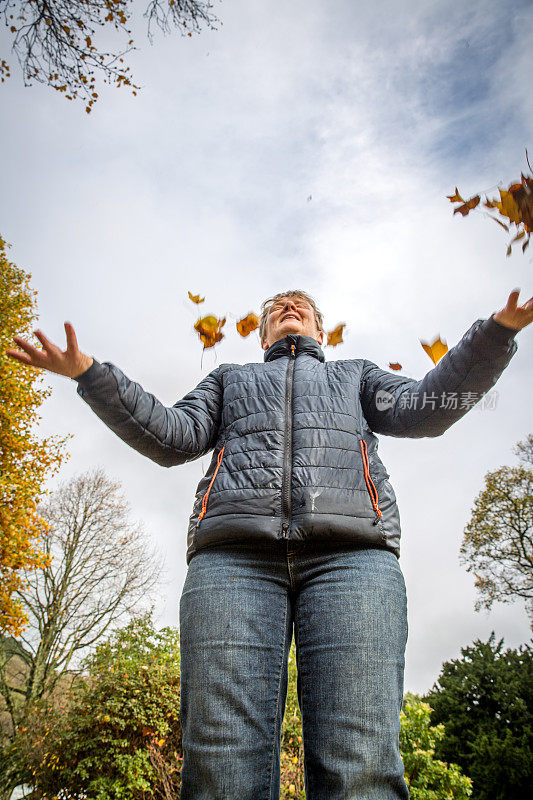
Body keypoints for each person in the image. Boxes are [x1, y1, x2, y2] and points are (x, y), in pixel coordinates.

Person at [6, 288, 532, 800]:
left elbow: (425, 408)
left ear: (320, 330)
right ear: (261, 335)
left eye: (301, 305)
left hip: (352, 559)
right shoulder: (231, 380)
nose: (289, 307)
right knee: (221, 764)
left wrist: (495, 335)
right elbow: (172, 437)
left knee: (361, 765)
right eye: (277, 307)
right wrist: (91, 377)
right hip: (233, 560)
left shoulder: (355, 375)